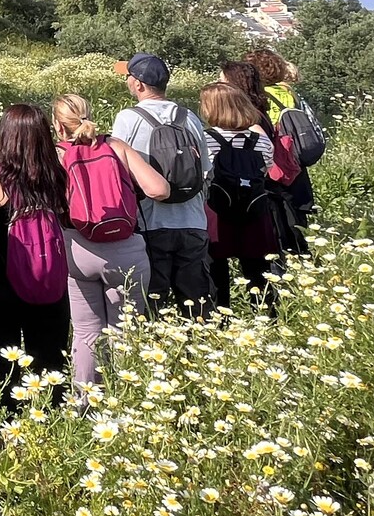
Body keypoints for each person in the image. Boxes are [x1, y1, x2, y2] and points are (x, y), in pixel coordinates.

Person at [50, 94, 167, 386]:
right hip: (125, 250)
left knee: (86, 331)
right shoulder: (115, 146)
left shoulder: (56, 153)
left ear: (58, 126)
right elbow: (159, 190)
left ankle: (84, 404)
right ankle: (126, 399)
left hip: (77, 248)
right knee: (125, 331)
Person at [0, 103, 73, 409]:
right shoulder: (56, 175)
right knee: (49, 364)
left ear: (5, 136)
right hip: (49, 283)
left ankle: (9, 424)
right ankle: (50, 420)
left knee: (4, 366)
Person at [110, 53, 213, 318]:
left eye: (129, 77)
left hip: (151, 223)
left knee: (148, 305)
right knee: (197, 306)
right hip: (192, 222)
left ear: (139, 85)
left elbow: (117, 170)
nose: (128, 82)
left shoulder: (129, 118)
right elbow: (205, 170)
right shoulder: (188, 117)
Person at [198, 80, 300, 313]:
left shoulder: (208, 139)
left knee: (216, 270)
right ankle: (267, 314)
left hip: (218, 210)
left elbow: (204, 173)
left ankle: (220, 317)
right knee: (257, 269)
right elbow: (265, 170)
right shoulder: (260, 139)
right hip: (254, 209)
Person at [245, 46, 318, 225]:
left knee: (278, 213)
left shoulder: (261, 96)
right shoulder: (289, 92)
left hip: (276, 159)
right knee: (296, 215)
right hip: (295, 156)